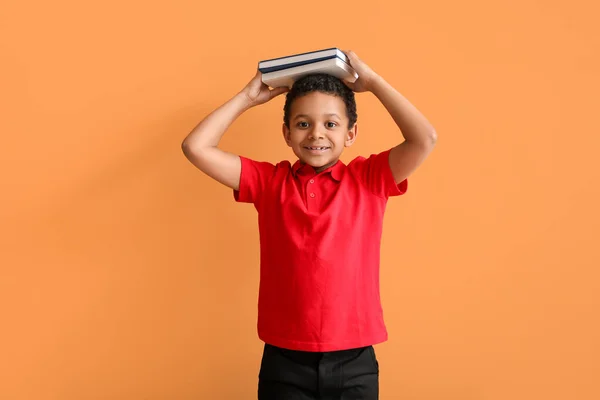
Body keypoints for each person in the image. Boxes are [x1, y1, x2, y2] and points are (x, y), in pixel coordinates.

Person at [182, 50, 437, 399]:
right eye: (303, 124)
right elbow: (196, 147)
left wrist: (374, 83)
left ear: (351, 133)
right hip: (285, 361)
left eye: (331, 123)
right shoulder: (269, 183)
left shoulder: (369, 179)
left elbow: (424, 139)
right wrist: (246, 98)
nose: (316, 134)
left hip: (355, 360)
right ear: (287, 133)